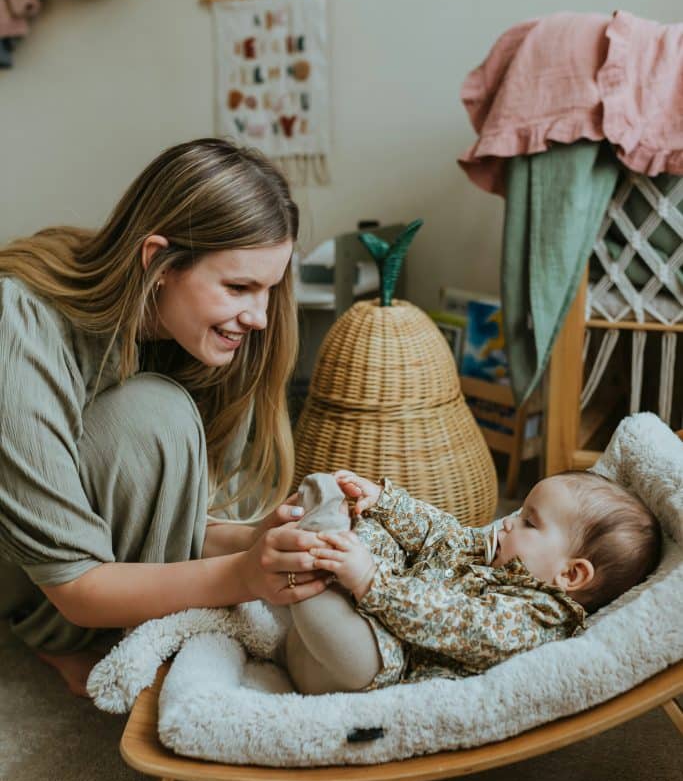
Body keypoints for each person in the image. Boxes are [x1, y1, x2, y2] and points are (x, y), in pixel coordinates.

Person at [0, 137, 329, 697]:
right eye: (239, 286)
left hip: (72, 534)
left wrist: (257, 540)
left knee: (156, 415)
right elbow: (77, 582)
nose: (259, 316)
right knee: (154, 415)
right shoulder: (22, 325)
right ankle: (54, 638)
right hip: (25, 556)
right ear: (157, 260)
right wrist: (243, 576)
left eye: (270, 289)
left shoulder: (204, 339)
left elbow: (172, 522)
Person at [284, 469, 662, 694]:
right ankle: (325, 545)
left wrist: (371, 580)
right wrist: (384, 502)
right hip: (325, 638)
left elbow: (459, 621)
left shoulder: (536, 618)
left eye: (529, 522)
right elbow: (443, 532)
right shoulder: (491, 553)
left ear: (570, 574)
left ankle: (314, 550)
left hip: (372, 664)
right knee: (378, 534)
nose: (510, 521)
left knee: (356, 595)